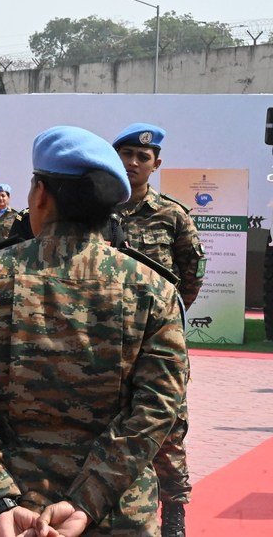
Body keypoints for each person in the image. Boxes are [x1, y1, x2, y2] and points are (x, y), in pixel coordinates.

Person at [0, 125, 189, 536]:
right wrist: (85, 502)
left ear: (40, 195)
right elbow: (159, 407)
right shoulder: (152, 288)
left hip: (8, 515)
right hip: (116, 513)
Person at [113, 122, 204, 537]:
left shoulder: (172, 215)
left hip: (158, 343)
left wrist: (162, 321)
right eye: (126, 155)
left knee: (167, 426)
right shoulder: (98, 211)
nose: (132, 163)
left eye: (142, 157)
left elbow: (191, 276)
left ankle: (174, 513)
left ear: (156, 164)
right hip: (107, 341)